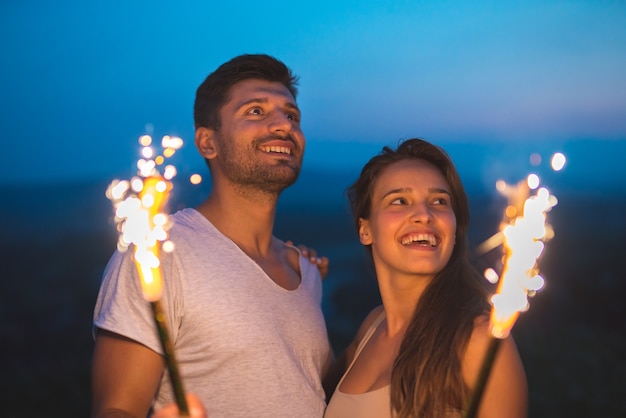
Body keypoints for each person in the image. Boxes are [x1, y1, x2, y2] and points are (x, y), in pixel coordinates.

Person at [91, 54, 332, 418]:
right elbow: (116, 408)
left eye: (291, 115)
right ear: (208, 143)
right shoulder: (158, 253)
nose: (283, 125)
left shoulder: (306, 273)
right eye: (255, 111)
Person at [323, 138, 528, 418]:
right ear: (365, 230)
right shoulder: (372, 326)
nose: (424, 214)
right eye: (400, 201)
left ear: (455, 230)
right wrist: (302, 284)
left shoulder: (478, 340)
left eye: (439, 201)